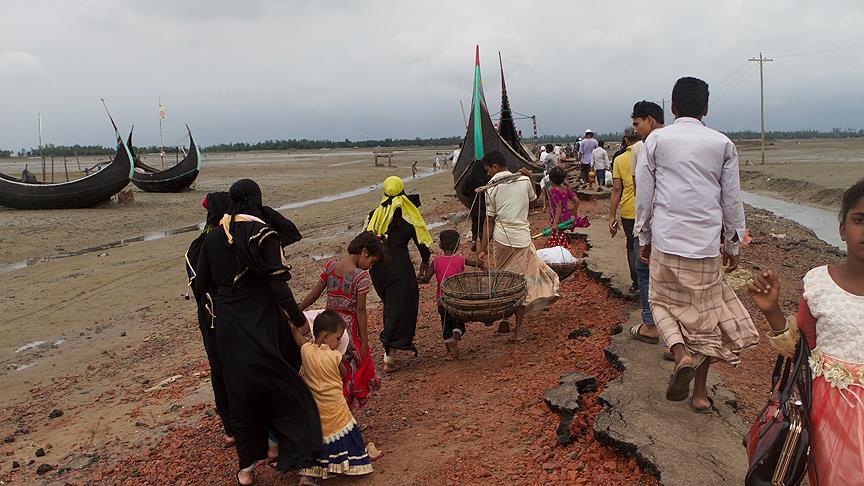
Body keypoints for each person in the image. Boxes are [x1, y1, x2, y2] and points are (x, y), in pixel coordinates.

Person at [635, 77, 759, 410]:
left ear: (672, 108)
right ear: (706, 108)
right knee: (705, 319)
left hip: (667, 239)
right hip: (705, 246)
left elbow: (645, 194)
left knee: (659, 303)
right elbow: (731, 199)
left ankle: (679, 354)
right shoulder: (722, 144)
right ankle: (701, 395)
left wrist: (643, 235)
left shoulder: (657, 140)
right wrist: (733, 244)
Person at [194, 179, 321, 485]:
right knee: (288, 388)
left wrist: (228, 299)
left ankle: (246, 469)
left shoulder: (213, 238)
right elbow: (279, 284)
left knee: (242, 392)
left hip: (229, 324)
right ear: (257, 200)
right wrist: (298, 319)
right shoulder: (263, 234)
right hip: (262, 319)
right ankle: (307, 467)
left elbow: (201, 285)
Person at [748, 178, 864, 484]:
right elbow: (800, 349)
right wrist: (772, 310)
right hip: (829, 416)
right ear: (842, 229)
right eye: (859, 220)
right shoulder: (819, 285)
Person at [477, 151, 560, 342]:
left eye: (488, 170)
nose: (488, 174)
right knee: (520, 283)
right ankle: (516, 328)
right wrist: (530, 179)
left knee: (503, 280)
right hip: (522, 238)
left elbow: (489, 221)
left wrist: (482, 248)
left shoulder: (492, 187)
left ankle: (509, 321)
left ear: (495, 167)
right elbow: (534, 200)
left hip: (503, 241)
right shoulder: (522, 181)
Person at [299, 231, 385, 409]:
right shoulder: (361, 277)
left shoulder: (330, 266)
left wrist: (297, 310)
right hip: (347, 329)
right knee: (349, 369)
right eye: (372, 261)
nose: (370, 266)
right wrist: (364, 342)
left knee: (330, 366)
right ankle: (344, 411)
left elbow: (314, 294)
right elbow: (360, 310)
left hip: (328, 323)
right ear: (364, 252)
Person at [293, 310, 374, 484]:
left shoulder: (306, 351)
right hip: (336, 408)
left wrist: (290, 320)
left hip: (316, 410)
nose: (338, 343)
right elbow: (344, 373)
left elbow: (297, 334)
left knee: (320, 439)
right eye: (337, 338)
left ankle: (309, 474)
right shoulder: (334, 356)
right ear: (324, 336)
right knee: (345, 432)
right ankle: (345, 464)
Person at [367, 176, 432, 372]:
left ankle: (390, 350)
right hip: (399, 266)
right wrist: (426, 260)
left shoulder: (375, 214)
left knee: (390, 304)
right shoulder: (408, 214)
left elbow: (367, 239)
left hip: (377, 269)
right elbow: (421, 241)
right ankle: (389, 350)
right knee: (404, 303)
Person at [185, 192, 234, 445]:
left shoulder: (193, 248)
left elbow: (197, 286)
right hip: (228, 313)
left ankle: (229, 427)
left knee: (219, 368)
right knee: (237, 365)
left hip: (207, 315)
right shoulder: (227, 241)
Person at [629, 100, 665, 344]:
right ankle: (677, 336)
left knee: (644, 274)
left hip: (654, 223)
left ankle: (651, 325)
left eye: (637, 123)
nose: (635, 130)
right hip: (680, 226)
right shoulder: (685, 142)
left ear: (650, 120)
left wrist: (642, 232)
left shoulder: (641, 147)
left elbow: (640, 190)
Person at [419, 229, 482, 358]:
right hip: (457, 300)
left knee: (445, 323)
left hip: (442, 300)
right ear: (458, 245)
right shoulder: (460, 259)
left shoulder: (436, 261)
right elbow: (476, 264)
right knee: (458, 323)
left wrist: (418, 276)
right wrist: (482, 263)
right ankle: (456, 337)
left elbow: (426, 279)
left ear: (441, 245)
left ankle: (450, 349)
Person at [608, 127, 640, 293]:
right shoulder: (648, 152)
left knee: (632, 246)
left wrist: (612, 216)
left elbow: (616, 189)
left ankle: (637, 283)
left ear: (626, 140)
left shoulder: (619, 160)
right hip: (651, 209)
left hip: (629, 209)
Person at [547, 167, 588, 248]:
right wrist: (573, 213)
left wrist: (555, 223)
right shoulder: (565, 189)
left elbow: (558, 207)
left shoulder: (553, 190)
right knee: (559, 232)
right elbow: (576, 201)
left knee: (558, 232)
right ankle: (558, 245)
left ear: (551, 180)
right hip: (565, 216)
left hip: (557, 217)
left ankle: (563, 247)